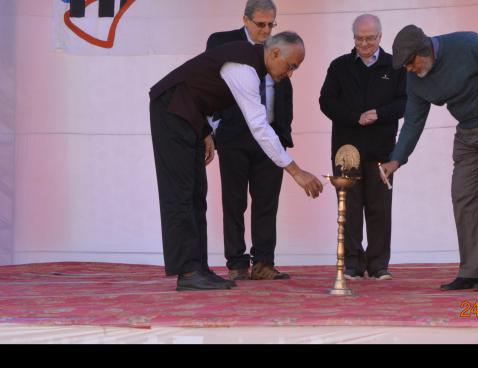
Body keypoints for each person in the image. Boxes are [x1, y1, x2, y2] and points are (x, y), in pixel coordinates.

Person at [149, 31, 323, 291]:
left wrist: (206, 130)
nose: (291, 73)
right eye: (291, 66)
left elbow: (205, 91)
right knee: (180, 194)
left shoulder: (251, 65)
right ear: (275, 53)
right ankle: (187, 272)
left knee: (197, 193)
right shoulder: (244, 66)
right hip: (171, 110)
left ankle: (198, 267)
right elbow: (260, 127)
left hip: (191, 116)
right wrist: (296, 172)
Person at [380, 25, 478, 291]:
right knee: (463, 197)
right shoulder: (416, 77)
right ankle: (471, 271)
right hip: (467, 131)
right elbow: (413, 121)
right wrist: (397, 159)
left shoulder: (468, 44)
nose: (408, 69)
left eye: (410, 63)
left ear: (425, 50)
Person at [206, 0, 295, 281]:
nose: (266, 30)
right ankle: (236, 263)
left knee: (267, 202)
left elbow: (285, 81)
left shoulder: (279, 45)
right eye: (261, 24)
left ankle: (264, 263)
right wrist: (208, 128)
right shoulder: (222, 42)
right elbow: (208, 87)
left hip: (271, 134)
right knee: (234, 202)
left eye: (271, 24)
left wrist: (283, 131)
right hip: (234, 135)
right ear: (245, 20)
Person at [319, 14, 406, 280]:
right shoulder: (339, 66)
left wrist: (379, 114)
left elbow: (406, 102)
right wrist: (355, 116)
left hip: (382, 150)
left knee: (380, 208)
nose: (365, 43)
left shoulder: (396, 66)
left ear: (380, 37)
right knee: (350, 208)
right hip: (347, 152)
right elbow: (326, 102)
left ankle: (379, 264)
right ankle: (352, 264)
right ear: (353, 37)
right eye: (359, 38)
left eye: (370, 38)